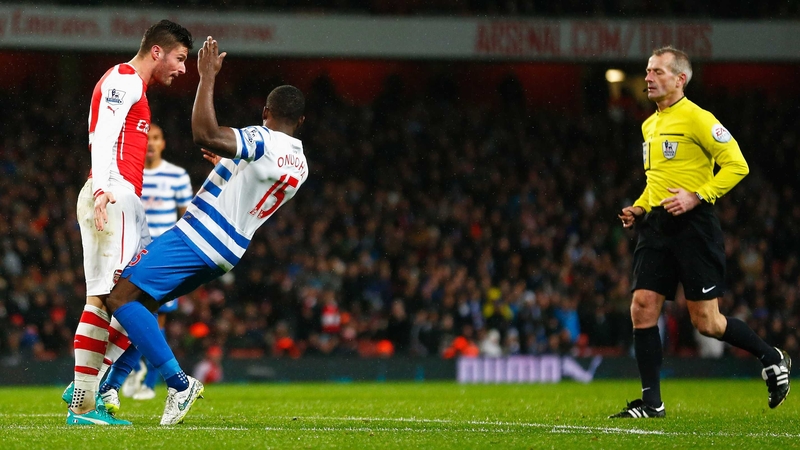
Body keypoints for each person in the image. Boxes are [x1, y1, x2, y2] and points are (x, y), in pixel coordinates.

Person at [105, 36, 308, 426]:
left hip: (199, 236)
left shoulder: (261, 138)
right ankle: (110, 385)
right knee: (145, 304)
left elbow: (205, 133)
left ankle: (179, 385)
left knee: (121, 297)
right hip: (230, 250)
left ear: (266, 111)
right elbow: (255, 185)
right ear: (302, 121)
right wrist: (229, 163)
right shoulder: (300, 166)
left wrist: (206, 79)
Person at [611, 46, 791, 418]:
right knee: (642, 307)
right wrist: (641, 206)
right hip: (657, 225)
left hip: (694, 226)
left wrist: (697, 196)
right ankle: (651, 403)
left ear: (680, 79)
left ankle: (771, 356)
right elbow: (655, 181)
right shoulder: (649, 124)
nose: (648, 77)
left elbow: (736, 164)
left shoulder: (698, 118)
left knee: (706, 323)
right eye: (647, 71)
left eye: (658, 71)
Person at [64, 20, 193, 426]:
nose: (182, 68)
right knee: (106, 297)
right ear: (158, 51)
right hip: (113, 194)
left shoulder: (136, 87)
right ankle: (83, 405)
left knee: (139, 297)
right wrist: (103, 188)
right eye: (180, 58)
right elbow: (103, 135)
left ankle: (87, 381)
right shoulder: (125, 79)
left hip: (126, 199)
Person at [100, 123, 194, 402]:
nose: (151, 143)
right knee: (128, 314)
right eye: (147, 138)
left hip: (164, 256)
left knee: (152, 316)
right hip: (132, 252)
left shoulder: (177, 176)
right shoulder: (130, 176)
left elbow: (186, 216)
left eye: (156, 138)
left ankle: (143, 383)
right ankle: (120, 382)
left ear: (163, 143)